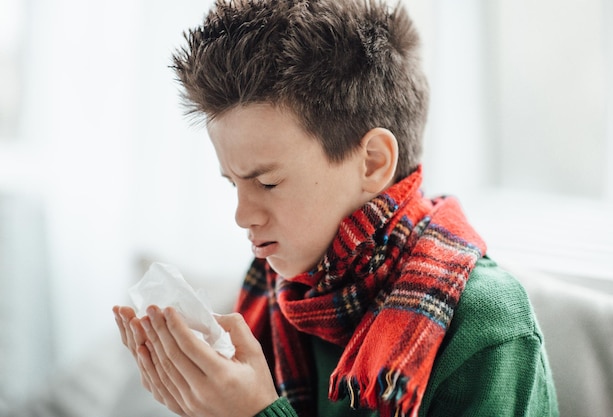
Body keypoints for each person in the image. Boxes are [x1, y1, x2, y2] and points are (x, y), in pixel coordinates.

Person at [113, 0, 559, 416]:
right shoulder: (276, 294)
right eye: (233, 183)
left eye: (266, 182)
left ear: (373, 162)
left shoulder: (487, 328)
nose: (242, 215)